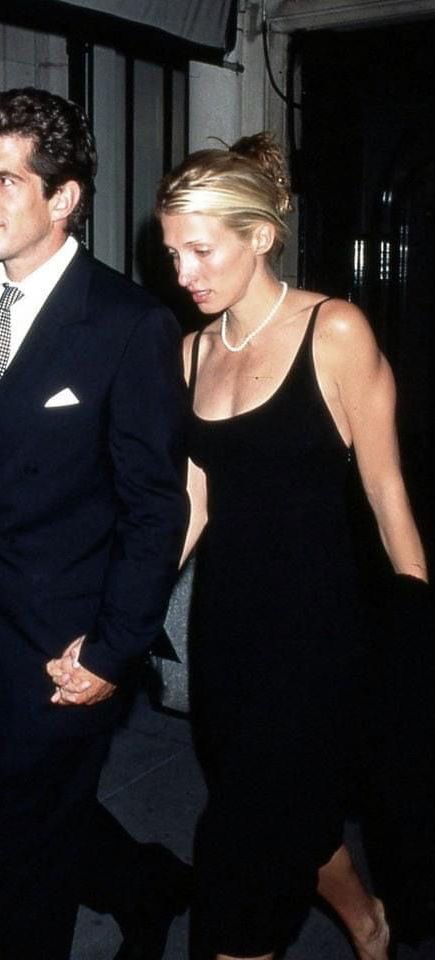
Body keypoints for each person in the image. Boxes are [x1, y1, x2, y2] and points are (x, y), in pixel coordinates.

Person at [0, 87, 190, 960]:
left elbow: (156, 507)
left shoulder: (128, 324)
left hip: (59, 647)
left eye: (3, 180)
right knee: (15, 821)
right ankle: (148, 886)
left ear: (64, 196)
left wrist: (112, 650)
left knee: (22, 881)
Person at [156, 133, 428, 960]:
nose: (184, 273)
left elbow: (386, 490)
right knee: (290, 814)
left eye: (201, 250)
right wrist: (121, 612)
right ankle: (368, 921)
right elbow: (193, 503)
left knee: (241, 845)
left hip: (318, 632)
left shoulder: (335, 329)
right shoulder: (192, 352)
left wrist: (418, 631)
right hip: (225, 630)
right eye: (172, 254)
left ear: (261, 236)